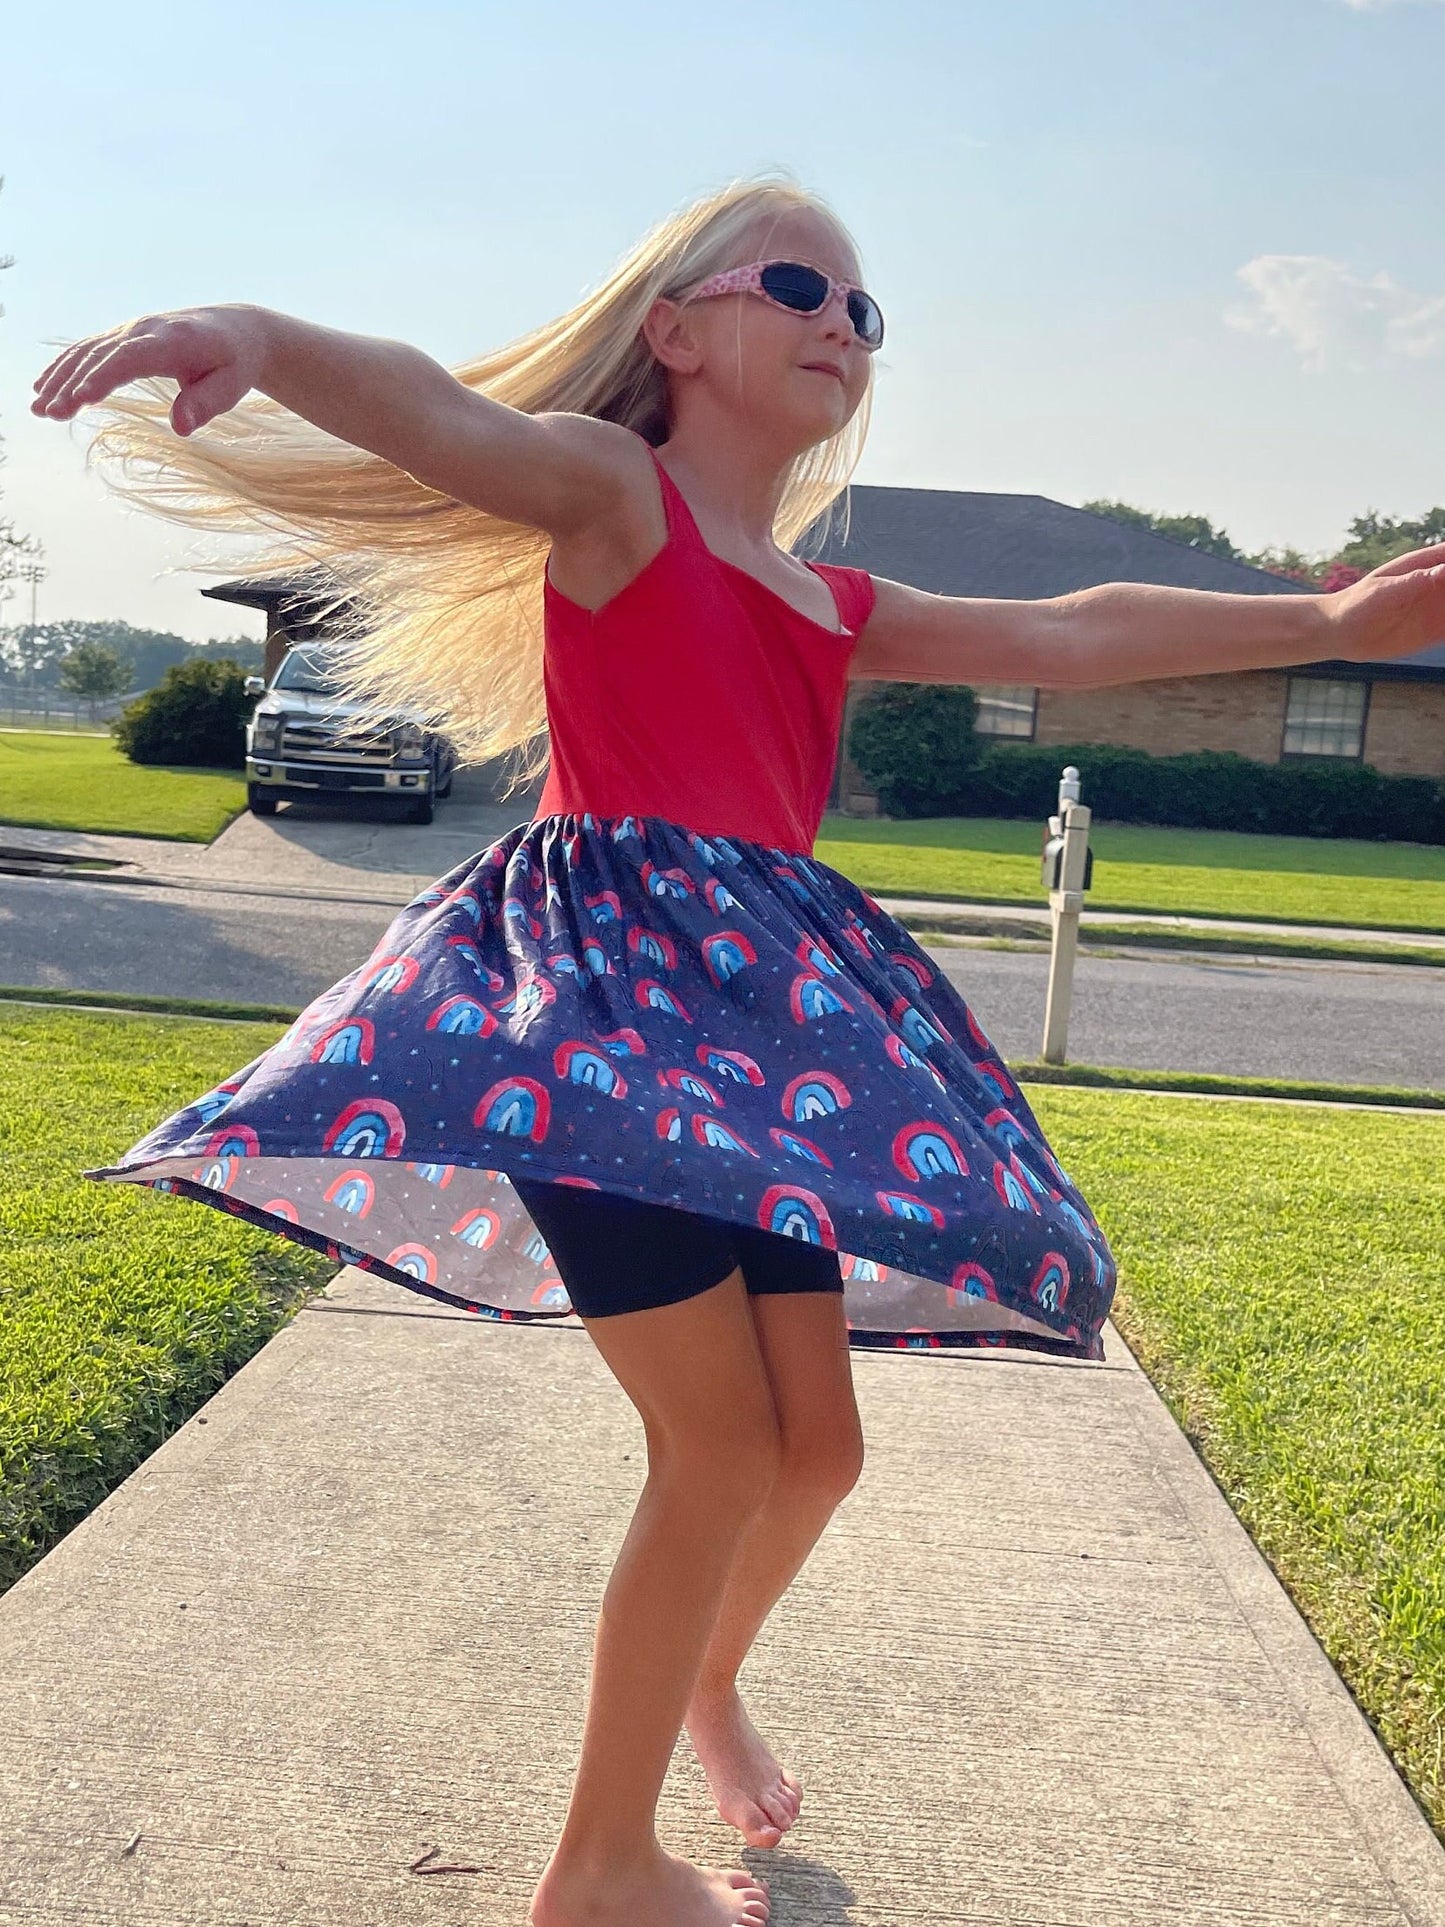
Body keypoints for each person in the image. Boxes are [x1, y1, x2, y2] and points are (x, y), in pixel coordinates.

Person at [31, 171, 1445, 1927]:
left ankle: (701, 1685)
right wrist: (251, 335)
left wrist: (1319, 628)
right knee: (714, 1453)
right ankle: (600, 1871)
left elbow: (1073, 631)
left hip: (768, 1053)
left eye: (867, 311)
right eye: (800, 286)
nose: (843, 325)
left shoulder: (821, 598)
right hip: (604, 1045)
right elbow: (435, 403)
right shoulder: (616, 500)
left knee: (816, 1450)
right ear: (677, 330)